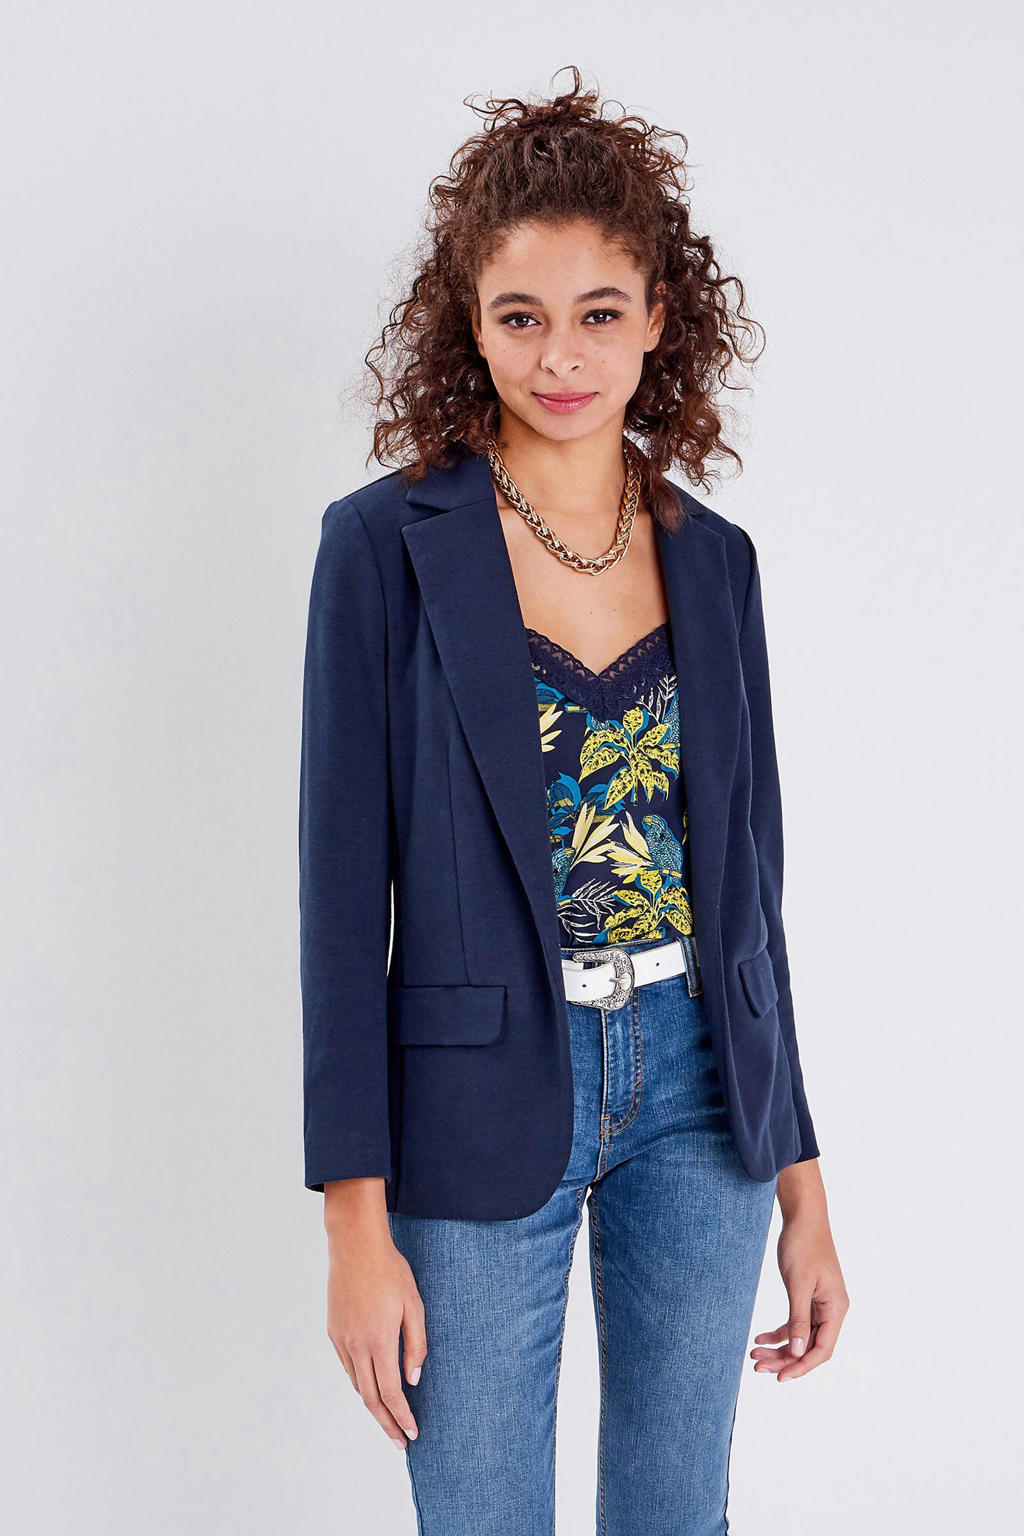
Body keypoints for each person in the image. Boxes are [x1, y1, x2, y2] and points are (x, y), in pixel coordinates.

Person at [299, 65, 849, 1535]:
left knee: (679, 1515)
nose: (560, 357)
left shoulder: (715, 561)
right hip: (473, 1100)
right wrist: (354, 1227)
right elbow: (342, 907)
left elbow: (752, 893)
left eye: (599, 313)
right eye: (519, 317)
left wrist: (804, 1189)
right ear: (468, 324)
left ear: (660, 316)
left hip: (702, 1096)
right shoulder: (383, 547)